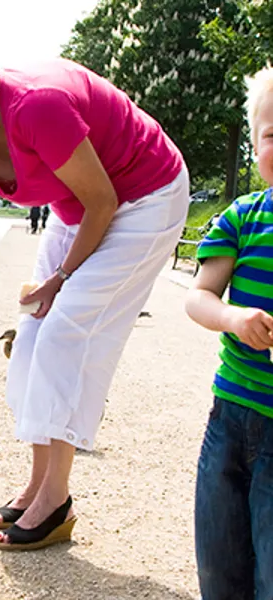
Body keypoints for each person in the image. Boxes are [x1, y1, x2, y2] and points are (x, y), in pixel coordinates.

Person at [0, 43, 189, 550]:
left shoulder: (35, 106)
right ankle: (38, 484)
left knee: (65, 332)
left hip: (145, 192)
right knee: (31, 333)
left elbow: (104, 200)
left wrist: (62, 276)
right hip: (79, 206)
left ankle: (56, 500)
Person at [185, 66, 273, 599]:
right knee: (220, 562)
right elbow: (199, 296)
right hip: (231, 416)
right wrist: (234, 319)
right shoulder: (243, 216)